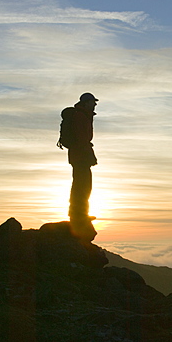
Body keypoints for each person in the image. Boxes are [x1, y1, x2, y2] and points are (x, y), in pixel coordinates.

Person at [68, 92, 98, 241]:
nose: (95, 104)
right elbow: (81, 139)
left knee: (82, 184)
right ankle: (78, 214)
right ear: (86, 103)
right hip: (80, 155)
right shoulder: (80, 116)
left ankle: (80, 213)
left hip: (79, 155)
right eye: (93, 102)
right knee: (83, 185)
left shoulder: (83, 115)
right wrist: (87, 154)